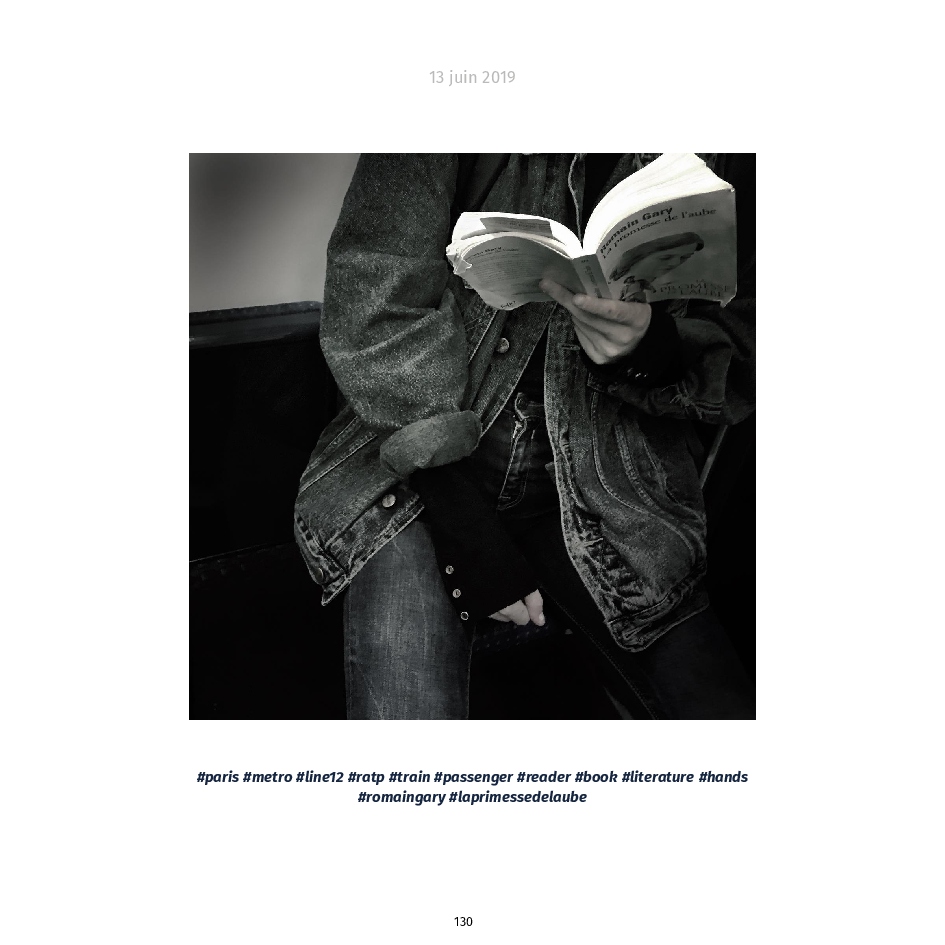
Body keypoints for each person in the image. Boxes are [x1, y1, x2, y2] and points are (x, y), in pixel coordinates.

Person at [294, 153, 756, 719]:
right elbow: (375, 289)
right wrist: (463, 522)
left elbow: (749, 335)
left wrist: (656, 348)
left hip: (616, 491)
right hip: (416, 478)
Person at [607, 231, 705, 302]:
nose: (675, 263)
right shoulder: (616, 283)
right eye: (665, 257)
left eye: (685, 257)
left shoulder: (670, 283)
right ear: (640, 255)